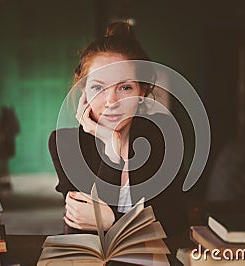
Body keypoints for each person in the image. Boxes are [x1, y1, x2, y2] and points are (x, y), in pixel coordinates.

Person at [48, 21, 189, 257]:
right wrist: (111, 149)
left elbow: (174, 222)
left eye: (124, 88)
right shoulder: (66, 145)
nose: (111, 101)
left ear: (142, 93)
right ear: (83, 93)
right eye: (98, 87)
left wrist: (110, 219)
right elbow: (80, 229)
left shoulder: (164, 138)